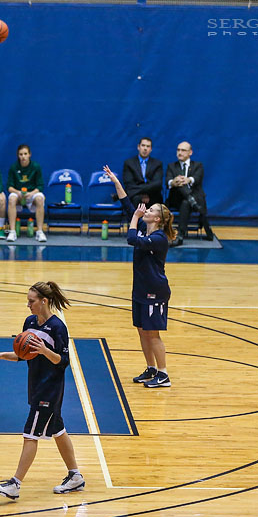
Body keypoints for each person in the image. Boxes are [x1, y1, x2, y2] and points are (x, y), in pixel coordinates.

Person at [0, 281, 84, 500]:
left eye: (31, 301)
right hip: (35, 384)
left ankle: (15, 484)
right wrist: (3, 355)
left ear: (44, 301)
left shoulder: (58, 327)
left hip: (50, 388)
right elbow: (24, 354)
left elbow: (63, 361)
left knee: (30, 435)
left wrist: (44, 350)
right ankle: (75, 476)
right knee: (57, 430)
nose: (28, 305)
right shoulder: (29, 322)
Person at [104, 165, 176, 388]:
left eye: (151, 210)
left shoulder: (159, 239)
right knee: (142, 331)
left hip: (155, 290)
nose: (146, 210)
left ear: (158, 219)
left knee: (153, 333)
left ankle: (163, 374)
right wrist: (116, 182)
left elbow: (132, 239)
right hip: (140, 289)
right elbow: (126, 203)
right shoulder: (145, 228)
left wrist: (135, 218)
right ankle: (151, 368)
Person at [165, 141, 214, 247]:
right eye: (178, 150)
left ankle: (180, 236)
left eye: (183, 150)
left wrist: (188, 179)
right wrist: (173, 182)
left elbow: (197, 178)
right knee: (179, 183)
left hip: (194, 199)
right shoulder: (171, 166)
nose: (180, 152)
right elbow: (167, 181)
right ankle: (191, 200)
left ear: (190, 152)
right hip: (176, 199)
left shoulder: (198, 165)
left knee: (186, 202)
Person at [6, 144, 47, 243]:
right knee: (11, 198)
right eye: (21, 154)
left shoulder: (36, 167)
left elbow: (40, 186)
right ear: (18, 155)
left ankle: (40, 231)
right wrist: (18, 192)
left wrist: (31, 193)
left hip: (32, 194)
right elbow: (9, 187)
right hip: (18, 194)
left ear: (29, 154)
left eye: (25, 154)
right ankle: (12, 231)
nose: (23, 156)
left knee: (40, 198)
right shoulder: (14, 167)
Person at [121, 137, 164, 207]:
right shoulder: (129, 163)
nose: (145, 148)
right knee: (135, 199)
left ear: (151, 149)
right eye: (143, 145)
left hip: (152, 195)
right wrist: (142, 194)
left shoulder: (157, 164)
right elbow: (129, 184)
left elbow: (157, 184)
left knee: (156, 198)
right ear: (138, 147)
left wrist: (145, 192)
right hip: (135, 196)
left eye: (148, 146)